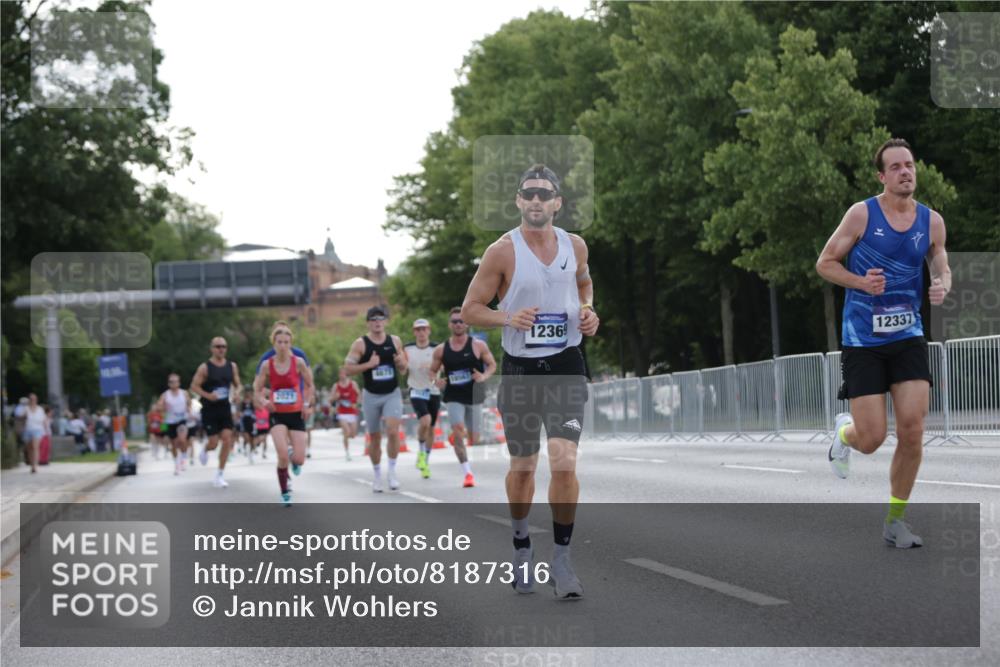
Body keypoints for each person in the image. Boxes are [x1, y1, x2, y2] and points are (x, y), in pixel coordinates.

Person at [462, 164, 599, 599]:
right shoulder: (502, 251)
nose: (536, 200)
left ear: (557, 202)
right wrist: (507, 317)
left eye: (545, 194)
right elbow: (470, 310)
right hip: (521, 371)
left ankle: (561, 560)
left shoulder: (575, 245)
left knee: (564, 461)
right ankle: (521, 546)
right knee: (523, 468)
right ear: (519, 201)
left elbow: (584, 283)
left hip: (566, 365)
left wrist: (589, 310)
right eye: (529, 193)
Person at [817, 138, 951, 549]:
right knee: (872, 439)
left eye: (909, 165)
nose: (905, 171)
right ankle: (846, 435)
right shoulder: (861, 215)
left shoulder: (931, 221)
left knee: (912, 430)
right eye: (895, 167)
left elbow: (941, 263)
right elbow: (825, 263)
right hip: (863, 340)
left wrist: (943, 284)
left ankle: (895, 521)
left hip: (908, 334)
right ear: (882, 176)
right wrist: (861, 282)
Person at [342, 306, 408, 493]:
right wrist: (368, 365)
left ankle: (392, 472)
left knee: (393, 431)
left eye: (381, 318)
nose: (377, 322)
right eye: (373, 319)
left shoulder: (395, 341)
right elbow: (347, 369)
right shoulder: (360, 344)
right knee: (375, 437)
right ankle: (378, 475)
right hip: (371, 395)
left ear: (386, 321)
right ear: (368, 323)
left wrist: (400, 362)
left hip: (391, 393)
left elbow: (403, 369)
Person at [430, 308, 497, 488]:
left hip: (474, 395)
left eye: (461, 321)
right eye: (455, 321)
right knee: (459, 429)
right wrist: (436, 381)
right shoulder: (441, 349)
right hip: (453, 396)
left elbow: (492, 365)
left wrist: (483, 376)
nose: (458, 324)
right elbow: (432, 371)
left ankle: (457, 435)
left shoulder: (478, 345)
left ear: (467, 323)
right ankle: (467, 473)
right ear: (450, 324)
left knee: (474, 438)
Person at [253, 322, 315, 506]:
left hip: (296, 413)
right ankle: (285, 491)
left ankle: (293, 456)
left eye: (286, 342)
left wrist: (306, 403)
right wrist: (265, 402)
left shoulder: (299, 362)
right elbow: (257, 389)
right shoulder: (266, 364)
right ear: (274, 343)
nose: (282, 345)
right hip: (277, 414)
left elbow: (310, 384)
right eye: (279, 342)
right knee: (281, 456)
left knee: (299, 459)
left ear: (290, 343)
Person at [190, 336, 243, 488]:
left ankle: (219, 474)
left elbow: (238, 384)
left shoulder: (232, 366)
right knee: (213, 443)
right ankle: (205, 449)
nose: (221, 349)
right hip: (209, 409)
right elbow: (194, 386)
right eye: (218, 346)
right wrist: (208, 396)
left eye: (224, 346)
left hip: (225, 407)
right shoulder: (205, 367)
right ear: (212, 348)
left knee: (227, 439)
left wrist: (236, 393)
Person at [404, 318, 441, 479]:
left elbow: (445, 365)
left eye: (423, 329)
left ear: (429, 331)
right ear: (414, 332)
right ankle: (420, 451)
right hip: (416, 389)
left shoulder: (437, 348)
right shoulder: (407, 349)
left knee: (431, 428)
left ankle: (425, 460)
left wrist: (433, 368)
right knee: (424, 420)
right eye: (418, 330)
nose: (421, 332)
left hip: (433, 391)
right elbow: (402, 366)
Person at [157, 373, 192, 475]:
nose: (173, 383)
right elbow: (159, 407)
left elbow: (189, 403)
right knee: (174, 444)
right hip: (170, 421)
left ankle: (184, 458)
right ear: (169, 384)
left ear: (179, 383)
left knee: (182, 440)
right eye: (171, 382)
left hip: (182, 420)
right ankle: (177, 463)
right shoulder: (165, 395)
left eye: (175, 381)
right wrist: (163, 407)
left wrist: (189, 410)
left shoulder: (184, 393)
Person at [332, 368, 360, 461]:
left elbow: (359, 394)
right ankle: (347, 452)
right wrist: (335, 397)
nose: (342, 375)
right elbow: (330, 399)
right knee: (346, 432)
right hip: (342, 412)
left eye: (343, 373)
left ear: (346, 374)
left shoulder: (353, 384)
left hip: (352, 412)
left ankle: (347, 438)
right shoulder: (336, 386)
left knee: (353, 434)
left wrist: (357, 403)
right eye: (340, 373)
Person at [22, 394, 47, 473]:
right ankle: (32, 464)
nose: (33, 401)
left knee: (35, 447)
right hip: (28, 429)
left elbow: (44, 420)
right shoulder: (26, 409)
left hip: (37, 429)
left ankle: (35, 466)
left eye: (34, 399)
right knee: (29, 448)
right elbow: (21, 418)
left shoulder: (40, 409)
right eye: (31, 399)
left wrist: (46, 431)